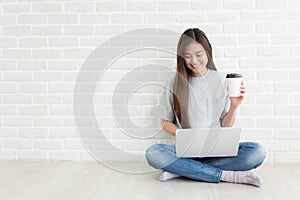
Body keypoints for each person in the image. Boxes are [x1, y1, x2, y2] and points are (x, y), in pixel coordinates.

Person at [145, 28, 266, 187]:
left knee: (256, 152)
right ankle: (225, 175)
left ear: (208, 52)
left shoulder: (220, 80)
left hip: (216, 151)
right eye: (187, 56)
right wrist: (186, 137)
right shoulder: (174, 82)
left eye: (199, 54)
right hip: (185, 151)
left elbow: (225, 126)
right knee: (154, 154)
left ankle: (181, 171)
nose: (193, 61)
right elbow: (165, 122)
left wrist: (234, 106)